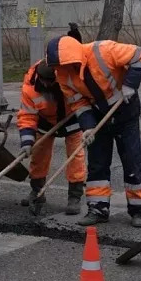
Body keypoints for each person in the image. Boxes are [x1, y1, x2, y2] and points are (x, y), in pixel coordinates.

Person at [49, 36, 141, 227]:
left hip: (125, 110)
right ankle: (98, 208)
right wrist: (88, 127)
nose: (62, 70)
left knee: (131, 160)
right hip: (98, 117)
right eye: (58, 67)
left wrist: (130, 84)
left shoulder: (104, 50)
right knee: (97, 163)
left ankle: (139, 210)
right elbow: (78, 103)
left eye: (66, 65)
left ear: (75, 58)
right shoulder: (62, 76)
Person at [17, 59, 85, 214]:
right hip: (45, 122)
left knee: (76, 157)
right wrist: (27, 142)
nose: (47, 85)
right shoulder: (30, 89)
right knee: (39, 156)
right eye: (44, 81)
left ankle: (74, 197)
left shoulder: (68, 78)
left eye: (51, 81)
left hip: (71, 119)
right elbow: (27, 116)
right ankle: (37, 192)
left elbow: (83, 97)